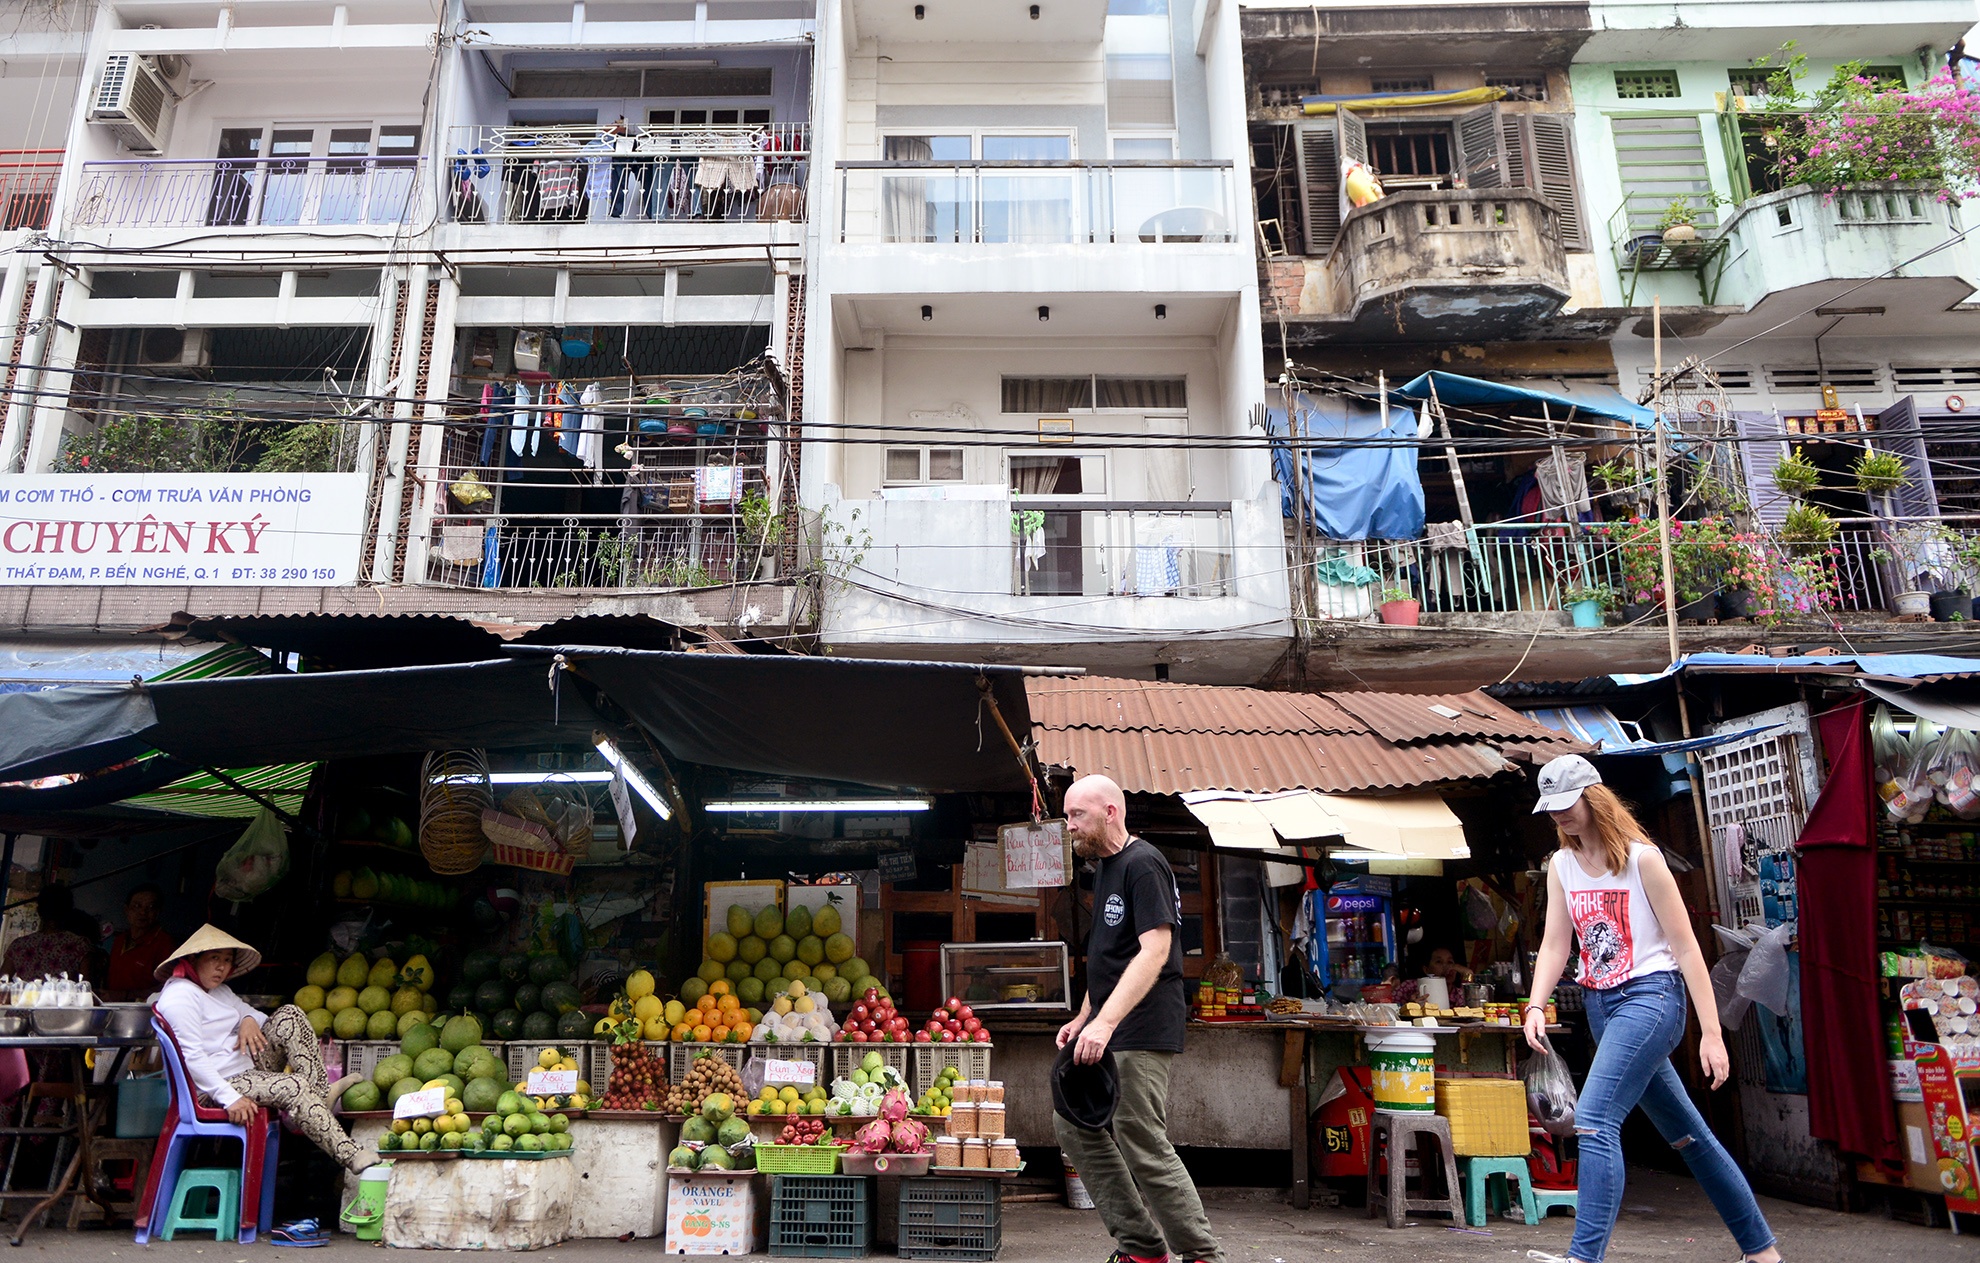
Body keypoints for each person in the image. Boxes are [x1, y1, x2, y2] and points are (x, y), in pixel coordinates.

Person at [1523, 755, 1780, 1263]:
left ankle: (1584, 1257)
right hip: (1602, 1006)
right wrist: (1535, 1004)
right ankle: (1762, 1252)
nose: (1559, 817)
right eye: (1550, 810)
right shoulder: (1561, 866)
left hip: (1652, 998)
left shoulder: (1644, 860)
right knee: (1691, 1138)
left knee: (1594, 1120)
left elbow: (1687, 950)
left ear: (1595, 798)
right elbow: (1556, 945)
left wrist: (1711, 1033)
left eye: (1566, 805)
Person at [1055, 775, 1223, 1263]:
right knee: (1072, 1123)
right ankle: (1143, 1249)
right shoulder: (1105, 868)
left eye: (1076, 815)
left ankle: (1202, 1254)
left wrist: (1105, 1024)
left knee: (1138, 1133)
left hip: (1143, 1026)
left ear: (1110, 812)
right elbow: (1110, 958)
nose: (1068, 826)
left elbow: (1155, 951)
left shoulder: (1143, 863)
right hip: (1108, 1024)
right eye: (1067, 816)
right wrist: (1085, 1016)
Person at [152, 925, 373, 1174]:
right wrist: (229, 1097)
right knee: (294, 1086)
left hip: (248, 1069)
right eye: (214, 959)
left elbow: (255, 1015)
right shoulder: (180, 997)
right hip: (215, 1087)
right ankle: (350, 1154)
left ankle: (319, 1096)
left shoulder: (218, 991)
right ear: (193, 959)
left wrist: (247, 1020)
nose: (222, 967)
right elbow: (190, 1057)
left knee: (291, 1015)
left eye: (227, 960)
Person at [1, 886, 93, 982]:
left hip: (26, 997)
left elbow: (2, 983)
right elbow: (86, 987)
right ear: (68, 911)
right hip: (63, 997)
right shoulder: (79, 945)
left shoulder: (19, 945)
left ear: (39, 911)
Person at [103, 885, 174, 1001]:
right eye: (137, 906)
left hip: (143, 1011)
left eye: (150, 907)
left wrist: (126, 995)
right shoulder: (119, 940)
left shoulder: (164, 943)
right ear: (127, 910)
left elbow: (169, 986)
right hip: (113, 1008)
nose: (143, 912)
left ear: (157, 912)